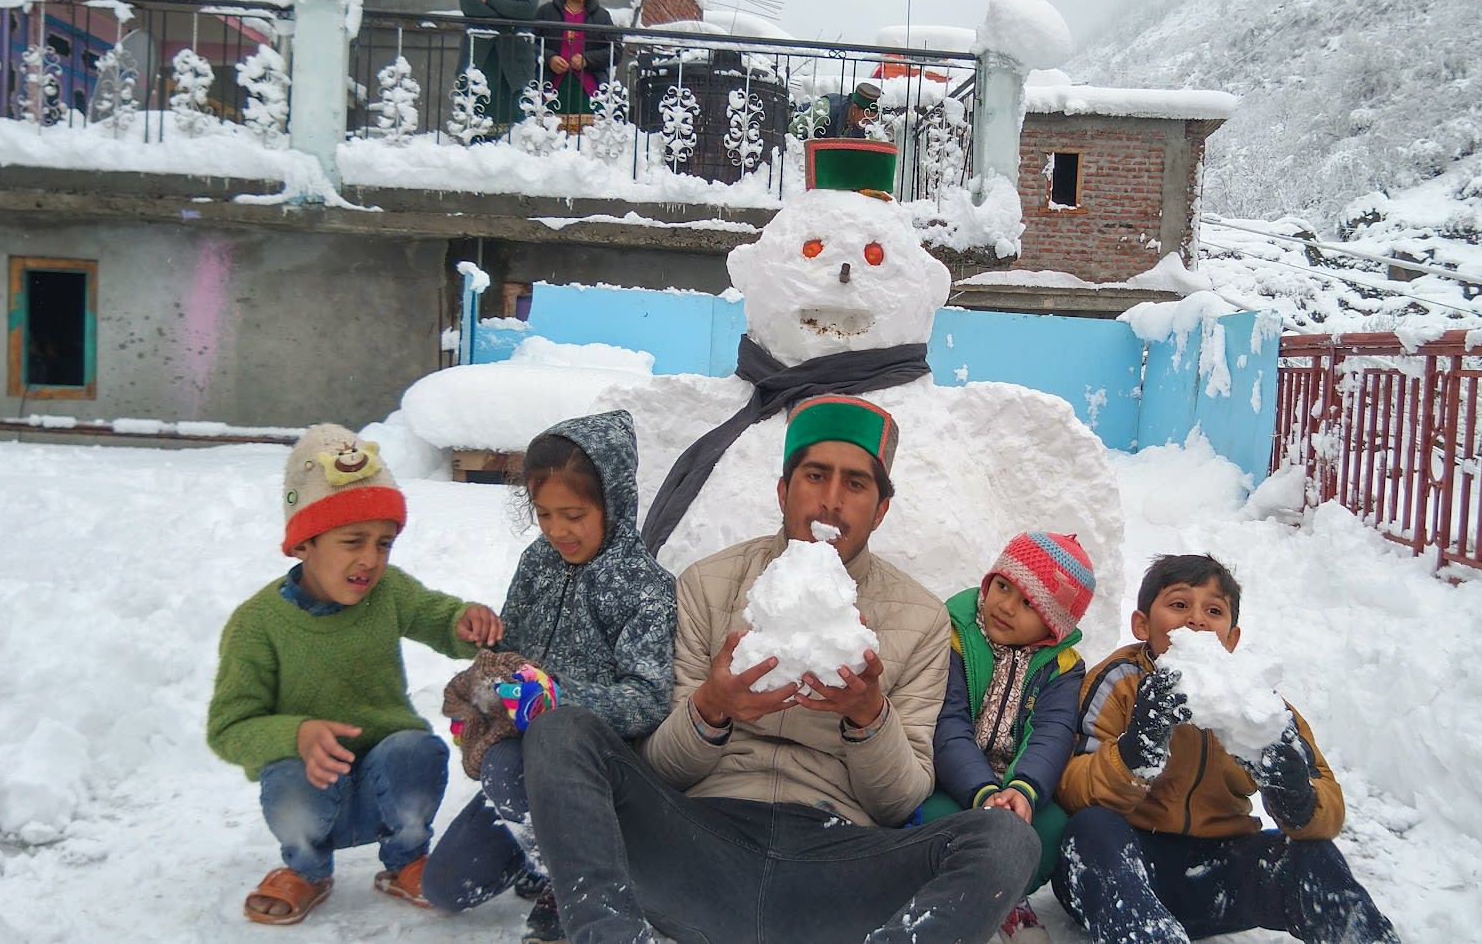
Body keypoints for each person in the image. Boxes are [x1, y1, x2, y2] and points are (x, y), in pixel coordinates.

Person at [522, 394, 1038, 944]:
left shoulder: (921, 619)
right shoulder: (708, 584)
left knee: (1006, 840)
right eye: (815, 476)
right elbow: (664, 768)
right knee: (561, 730)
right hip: (699, 849)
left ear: (881, 509)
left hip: (835, 867)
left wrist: (868, 716)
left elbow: (901, 799)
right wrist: (711, 708)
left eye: (856, 485)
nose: (831, 501)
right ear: (783, 490)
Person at [206, 424, 505, 926]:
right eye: (352, 541)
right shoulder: (257, 624)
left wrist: (462, 620)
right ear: (305, 541)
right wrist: (295, 735)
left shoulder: (387, 592)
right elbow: (228, 729)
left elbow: (432, 613)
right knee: (290, 779)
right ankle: (306, 869)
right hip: (309, 779)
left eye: (384, 543)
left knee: (418, 749)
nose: (371, 559)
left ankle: (405, 858)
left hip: (388, 770)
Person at [1053, 555, 1402, 944]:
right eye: (1179, 605)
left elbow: (1328, 800)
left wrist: (1297, 795)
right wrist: (1134, 753)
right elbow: (1070, 784)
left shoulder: (1259, 704)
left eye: (1214, 610)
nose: (1197, 620)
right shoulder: (1120, 682)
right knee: (1089, 830)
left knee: (1313, 856)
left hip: (1222, 874)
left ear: (1232, 638)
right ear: (1142, 625)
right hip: (1128, 865)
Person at [421, 411, 676, 942]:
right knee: (445, 887)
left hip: (596, 780)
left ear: (614, 503)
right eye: (544, 514)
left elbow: (649, 699)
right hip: (521, 770)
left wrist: (559, 699)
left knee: (508, 765)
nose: (557, 530)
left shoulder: (644, 586)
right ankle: (539, 856)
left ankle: (578, 877)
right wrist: (487, 682)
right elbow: (514, 658)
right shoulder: (537, 563)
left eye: (574, 515)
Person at [919, 531, 1093, 944]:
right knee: (935, 822)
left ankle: (1004, 895)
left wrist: (1023, 790)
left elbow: (1051, 734)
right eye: (1002, 586)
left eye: (1029, 603)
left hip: (1015, 789)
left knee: (1053, 830)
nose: (1006, 606)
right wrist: (981, 792)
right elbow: (948, 723)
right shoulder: (955, 636)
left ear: (1054, 625)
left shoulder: (1063, 666)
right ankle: (955, 900)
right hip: (953, 783)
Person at [533, 0, 618, 124]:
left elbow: (616, 51)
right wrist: (549, 58)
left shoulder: (601, 17)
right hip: (550, 85)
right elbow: (528, 44)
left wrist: (587, 60)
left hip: (591, 89)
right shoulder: (546, 12)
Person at [458, 0, 541, 127]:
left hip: (516, 54)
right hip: (480, 53)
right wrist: (510, 18)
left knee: (515, 121)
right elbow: (470, 6)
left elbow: (528, 9)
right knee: (477, 115)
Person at [806, 81, 881, 138]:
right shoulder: (823, 110)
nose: (870, 124)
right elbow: (796, 135)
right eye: (867, 119)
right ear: (855, 109)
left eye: (873, 120)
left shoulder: (872, 128)